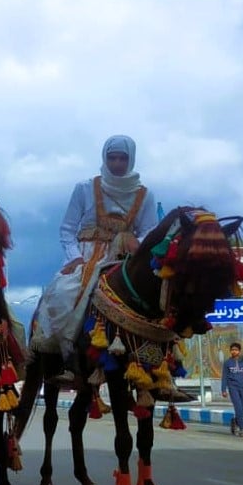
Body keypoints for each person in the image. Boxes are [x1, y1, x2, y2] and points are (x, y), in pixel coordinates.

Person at [33, 135, 159, 383]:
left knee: (159, 296)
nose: (117, 163)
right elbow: (67, 229)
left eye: (123, 158)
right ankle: (67, 357)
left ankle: (161, 366)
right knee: (65, 294)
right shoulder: (84, 188)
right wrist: (76, 259)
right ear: (104, 158)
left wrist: (136, 242)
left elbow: (149, 231)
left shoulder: (145, 195)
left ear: (131, 159)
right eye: (112, 158)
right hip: (87, 257)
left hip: (126, 259)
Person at [221, 342, 243, 437]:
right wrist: (223, 389)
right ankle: (242, 429)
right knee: (238, 408)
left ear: (239, 351)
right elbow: (224, 377)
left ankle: (235, 421)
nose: (234, 351)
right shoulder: (227, 363)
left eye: (236, 350)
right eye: (232, 350)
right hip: (233, 388)